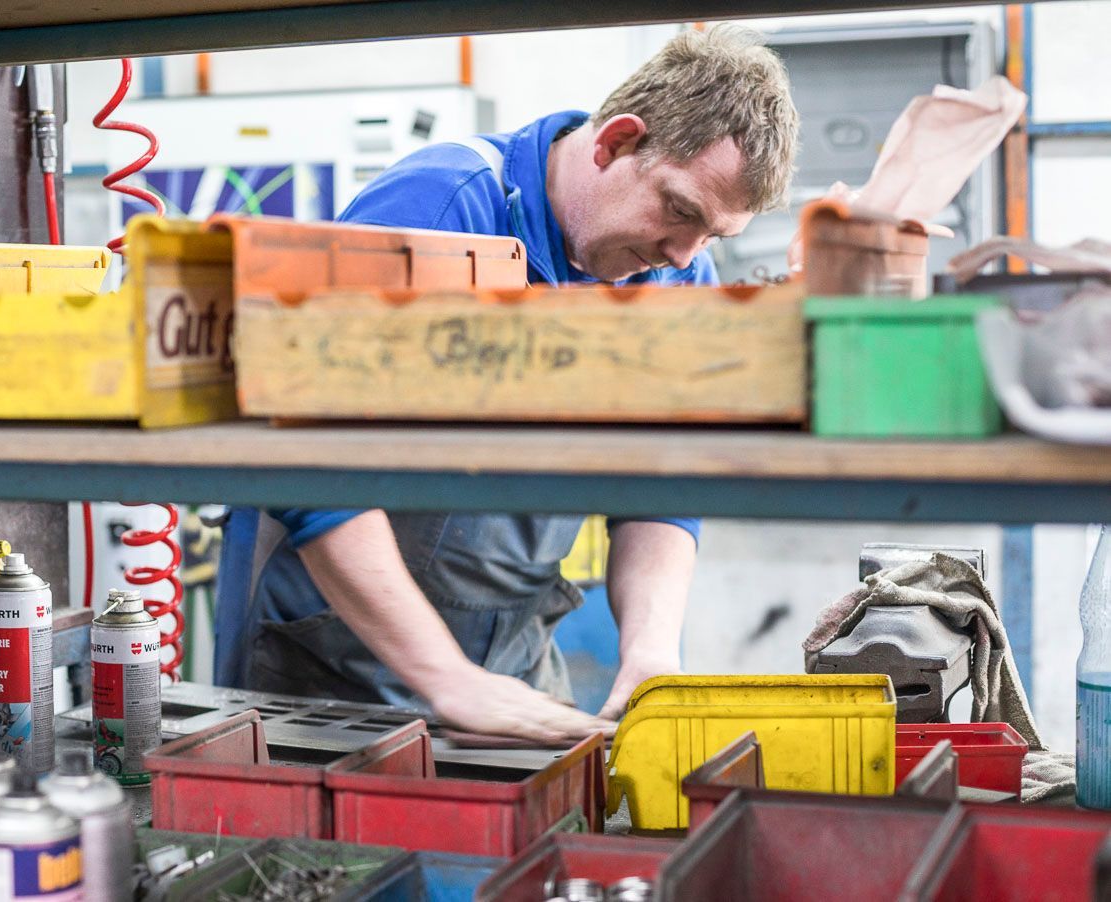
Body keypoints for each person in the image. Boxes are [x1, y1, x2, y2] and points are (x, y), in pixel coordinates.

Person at [214, 24, 800, 744]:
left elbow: (663, 487)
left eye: (713, 235)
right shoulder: (438, 211)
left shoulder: (673, 273)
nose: (682, 254)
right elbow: (311, 462)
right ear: (615, 142)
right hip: (332, 651)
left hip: (511, 654)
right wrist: (447, 681)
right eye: (679, 211)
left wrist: (650, 653)